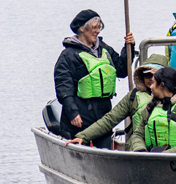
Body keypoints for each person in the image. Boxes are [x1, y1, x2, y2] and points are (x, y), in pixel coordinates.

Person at [53, 9, 134, 146]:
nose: (98, 31)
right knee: (80, 151)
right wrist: (73, 113)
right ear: (82, 29)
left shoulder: (104, 49)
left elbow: (122, 69)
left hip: (103, 114)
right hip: (80, 117)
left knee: (105, 151)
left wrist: (129, 47)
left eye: (99, 27)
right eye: (94, 27)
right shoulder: (68, 56)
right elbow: (63, 87)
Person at [65, 64, 158, 150]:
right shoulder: (133, 97)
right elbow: (109, 120)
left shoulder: (171, 96)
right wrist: (83, 136)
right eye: (147, 76)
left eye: (154, 76)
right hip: (139, 149)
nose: (151, 79)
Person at [131, 66, 176, 153]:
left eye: (153, 82)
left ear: (162, 85)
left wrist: (164, 156)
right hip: (151, 160)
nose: (151, 87)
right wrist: (140, 150)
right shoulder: (150, 107)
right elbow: (138, 134)